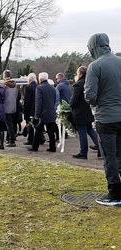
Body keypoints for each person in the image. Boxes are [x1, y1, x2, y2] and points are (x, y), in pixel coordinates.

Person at [84, 33, 121, 206]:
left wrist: (99, 100)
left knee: (109, 156)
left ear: (93, 48)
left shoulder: (95, 66)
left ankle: (114, 194)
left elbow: (90, 95)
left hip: (106, 119)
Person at [70, 66, 99, 159]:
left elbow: (74, 100)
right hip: (88, 111)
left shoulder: (78, 84)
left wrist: (70, 107)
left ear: (80, 73)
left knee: (82, 132)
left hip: (80, 113)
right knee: (90, 130)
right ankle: (101, 148)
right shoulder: (89, 83)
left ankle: (83, 152)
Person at [28, 72, 57, 152]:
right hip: (51, 112)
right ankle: (52, 147)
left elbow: (38, 102)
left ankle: (35, 147)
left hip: (42, 113)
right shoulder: (52, 88)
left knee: (38, 131)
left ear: (40, 79)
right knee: (51, 132)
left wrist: (36, 115)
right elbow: (54, 100)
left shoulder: (39, 88)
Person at [3, 70, 19, 147]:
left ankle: (11, 140)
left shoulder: (5, 86)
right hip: (13, 108)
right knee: (12, 124)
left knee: (9, 126)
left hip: (7, 108)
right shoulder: (15, 86)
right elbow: (17, 97)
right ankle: (10, 138)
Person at [23, 73, 38, 145]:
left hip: (30, 110)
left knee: (30, 125)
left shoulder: (28, 87)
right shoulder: (38, 86)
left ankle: (30, 139)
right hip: (37, 109)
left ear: (29, 80)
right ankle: (40, 138)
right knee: (36, 125)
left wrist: (25, 111)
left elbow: (27, 101)